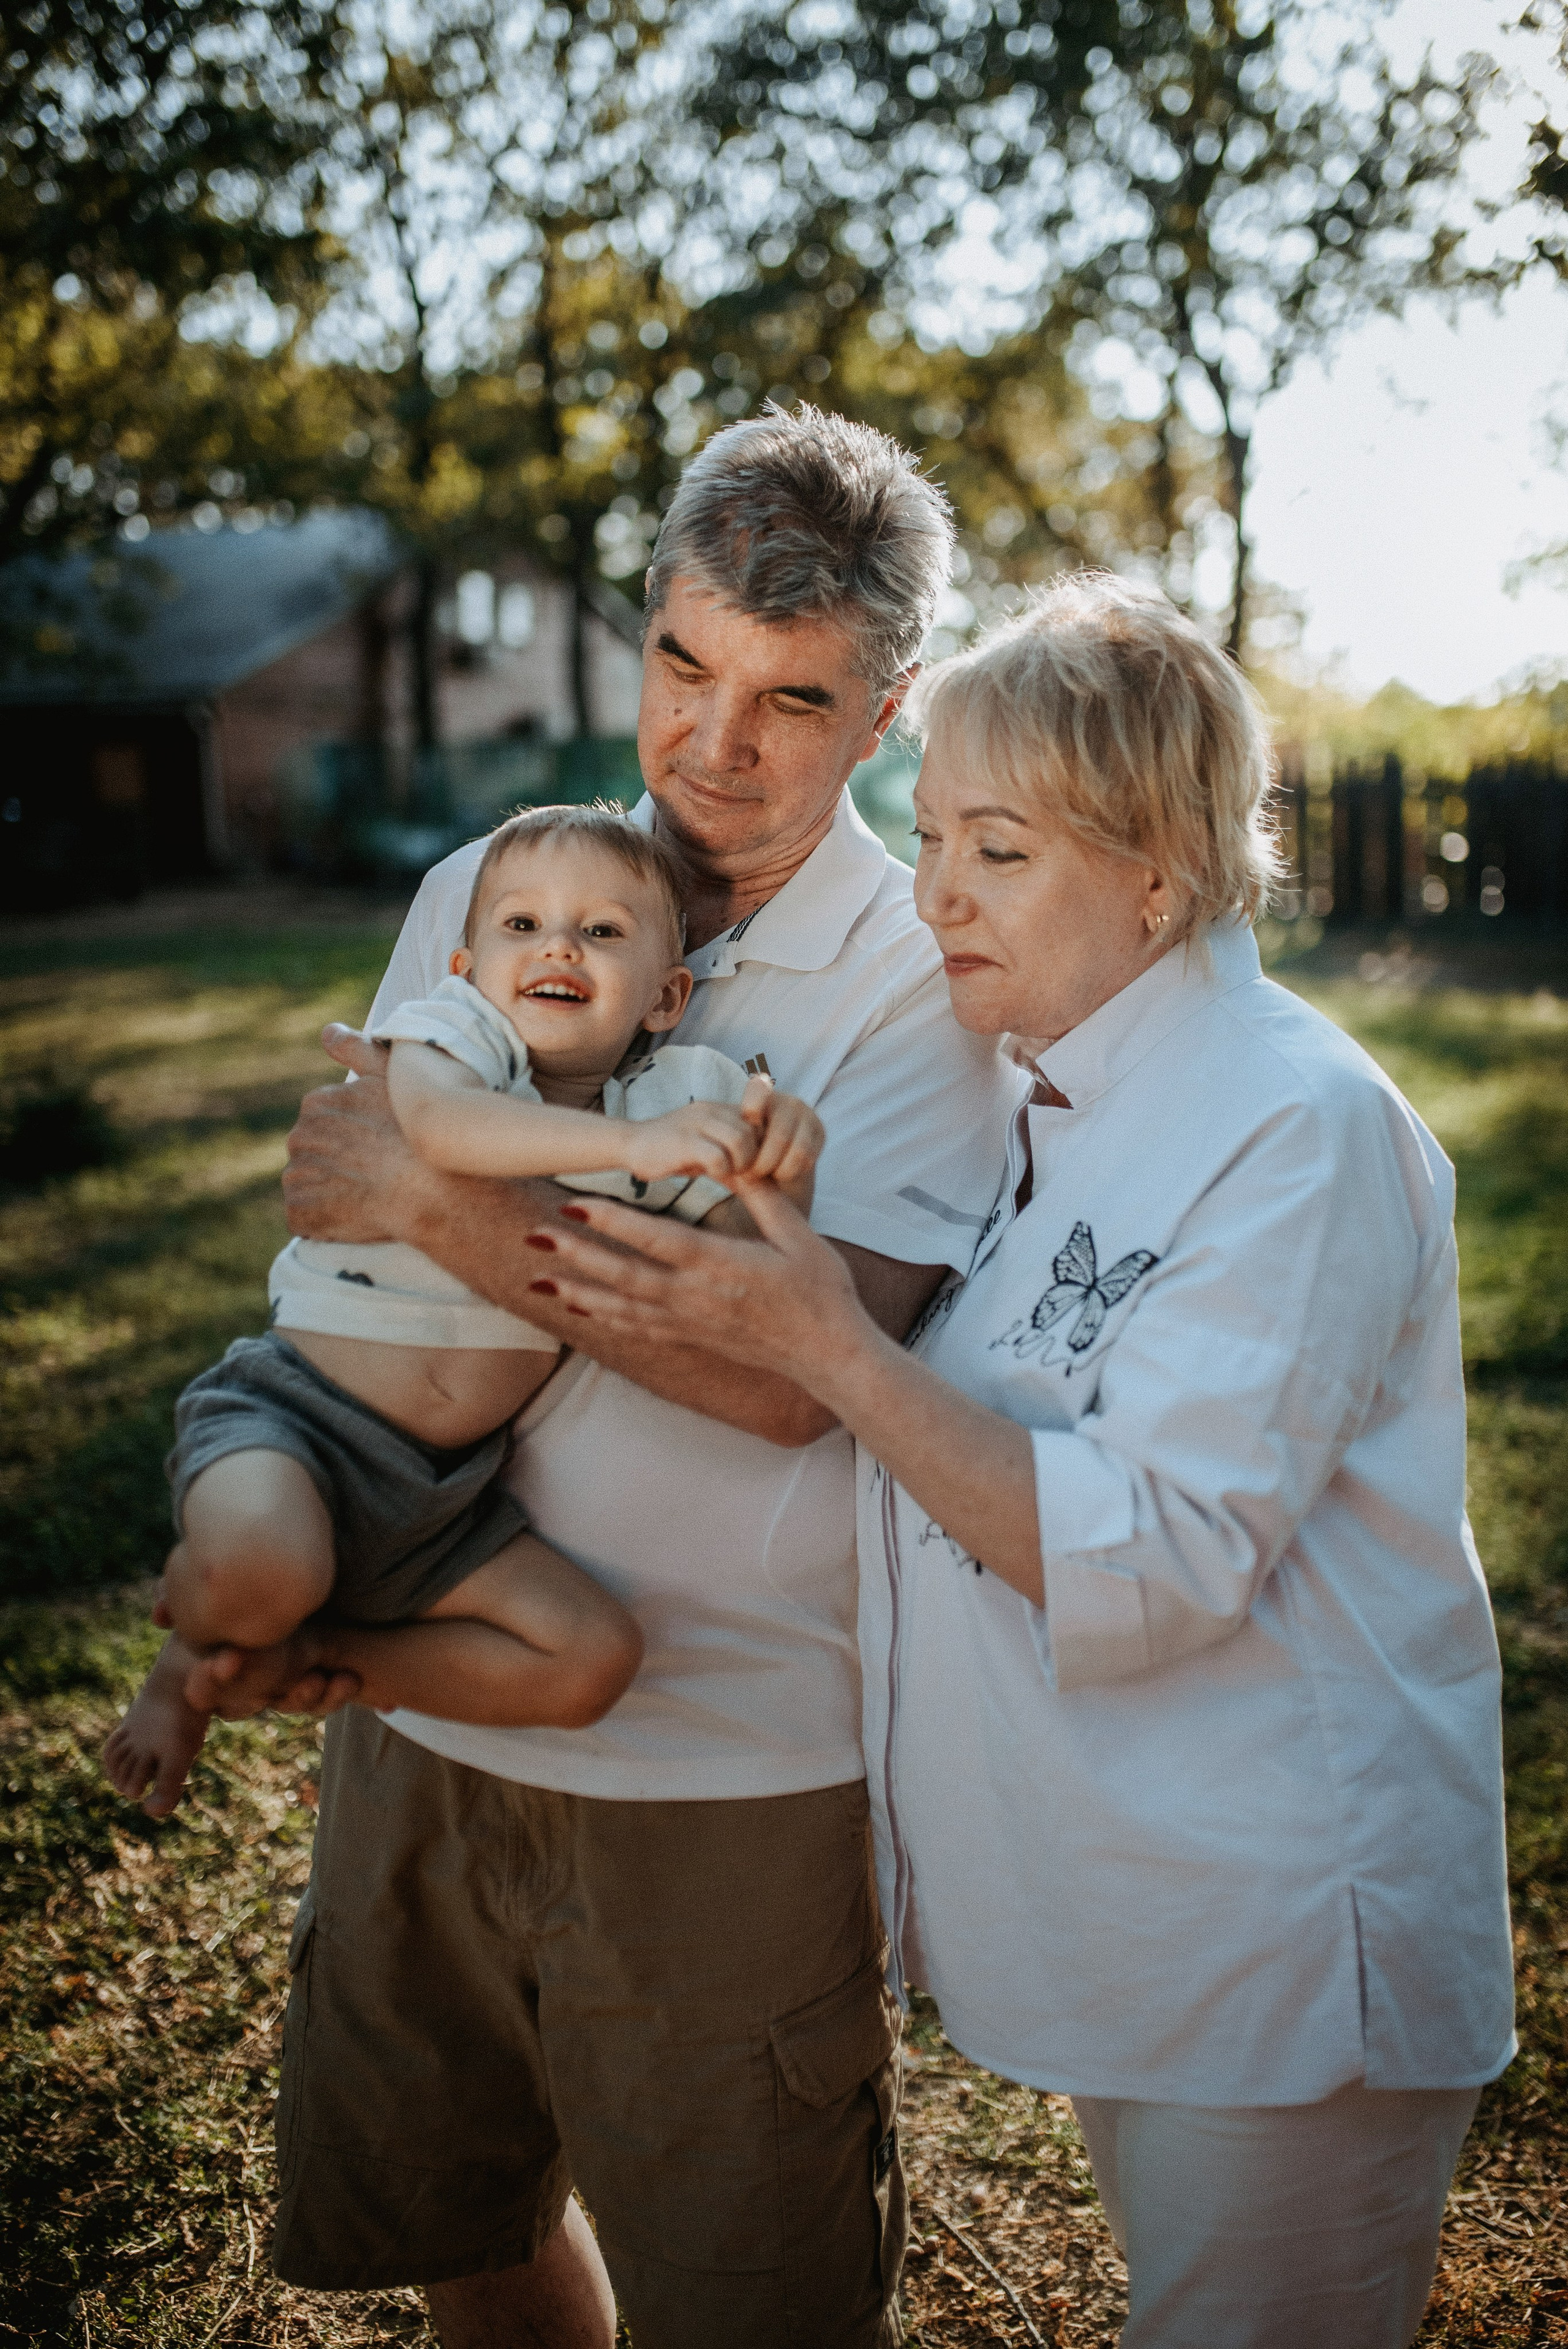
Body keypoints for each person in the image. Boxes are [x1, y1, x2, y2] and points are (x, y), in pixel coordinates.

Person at [531, 573, 1518, 2349]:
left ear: (1160, 872)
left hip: (1289, 1948)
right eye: (929, 839)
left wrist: (826, 1344)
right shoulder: (1063, 1097)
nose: (934, 896)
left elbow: (1159, 1554)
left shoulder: (1295, 1124)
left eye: (997, 850)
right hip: (1161, 1922)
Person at [263, 407, 1022, 2348]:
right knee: (461, 2224)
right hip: (428, 1688)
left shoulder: (922, 971)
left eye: (793, 698)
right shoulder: (489, 880)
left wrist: (435, 1202)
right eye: (683, 663)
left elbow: (798, 1376)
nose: (710, 744)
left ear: (888, 712)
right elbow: (346, 1205)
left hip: (729, 1752)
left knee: (751, 2302)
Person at [103, 807, 822, 1820]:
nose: (559, 947)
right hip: (297, 1418)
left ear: (666, 996)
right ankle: (187, 1662)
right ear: (466, 966)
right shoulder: (459, 1042)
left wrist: (782, 1161)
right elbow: (442, 1131)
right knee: (264, 1565)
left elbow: (752, 1284)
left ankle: (320, 1654)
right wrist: (631, 1153)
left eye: (602, 931)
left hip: (440, 1495)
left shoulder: (674, 1101)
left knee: (592, 1658)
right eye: (522, 925)